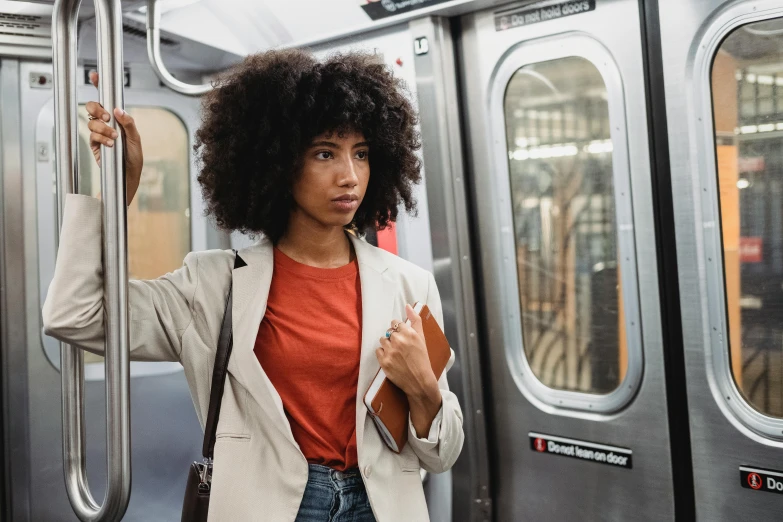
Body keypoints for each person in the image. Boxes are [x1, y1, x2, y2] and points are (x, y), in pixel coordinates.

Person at [42, 48, 464, 521]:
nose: (350, 176)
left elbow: (441, 455)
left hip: (380, 506)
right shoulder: (215, 284)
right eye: (325, 153)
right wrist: (115, 197)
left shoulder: (409, 285)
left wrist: (425, 390)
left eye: (361, 154)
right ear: (279, 164)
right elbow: (75, 315)